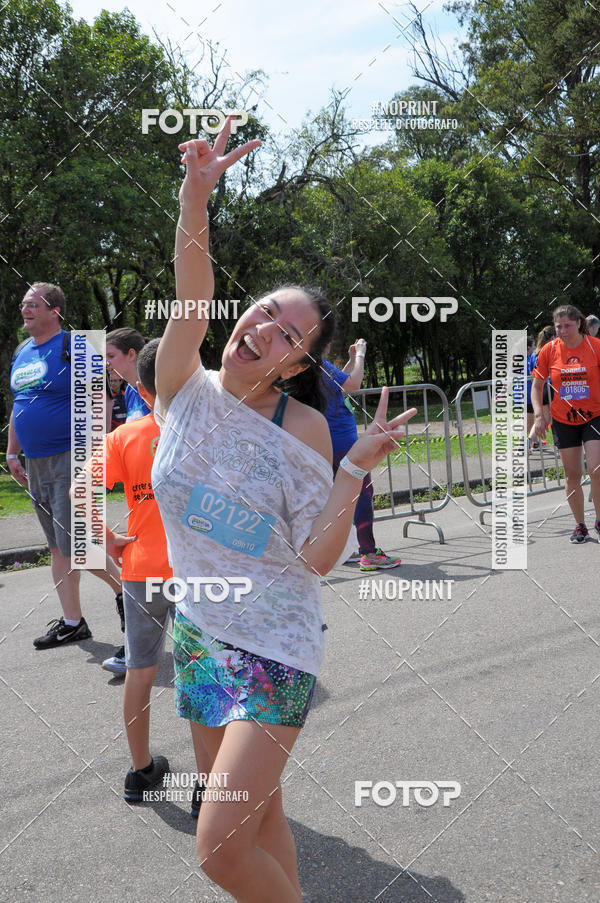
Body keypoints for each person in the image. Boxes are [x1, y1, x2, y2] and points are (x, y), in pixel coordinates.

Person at [151, 121, 416, 902]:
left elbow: (315, 559)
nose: (263, 329)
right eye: (264, 311)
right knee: (261, 823)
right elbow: (192, 294)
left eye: (288, 334)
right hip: (200, 631)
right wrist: (194, 198)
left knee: (221, 849)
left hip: (276, 648)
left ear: (299, 364)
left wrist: (351, 472)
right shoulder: (182, 385)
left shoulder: (298, 428)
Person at [78, 339, 193, 800]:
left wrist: (107, 537)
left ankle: (139, 769)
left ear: (141, 392)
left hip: (141, 568)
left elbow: (77, 494)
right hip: (199, 573)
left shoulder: (125, 437)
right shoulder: (209, 432)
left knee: (141, 670)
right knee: (201, 671)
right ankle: (210, 784)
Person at [7, 282, 124, 649]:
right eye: (24, 305)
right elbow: (20, 402)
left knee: (79, 547)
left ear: (54, 310)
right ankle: (73, 623)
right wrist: (13, 452)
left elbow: (101, 396)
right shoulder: (23, 350)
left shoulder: (76, 344)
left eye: (33, 305)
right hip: (35, 461)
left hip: (71, 457)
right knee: (58, 550)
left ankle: (132, 598)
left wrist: (98, 451)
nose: (25, 310)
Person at [321, 339, 402, 570]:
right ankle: (368, 553)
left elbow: (340, 384)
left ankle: (340, 550)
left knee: (338, 499)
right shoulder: (319, 365)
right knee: (362, 494)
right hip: (343, 446)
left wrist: (349, 360)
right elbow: (354, 384)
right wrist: (361, 356)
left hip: (330, 444)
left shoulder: (314, 365)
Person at [532, 305, 600, 543]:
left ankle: (599, 521)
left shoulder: (595, 347)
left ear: (578, 324)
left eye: (567, 326)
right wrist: (540, 415)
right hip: (563, 419)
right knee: (572, 474)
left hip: (594, 415)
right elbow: (537, 386)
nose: (562, 330)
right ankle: (580, 525)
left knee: (596, 468)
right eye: (558, 326)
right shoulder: (549, 350)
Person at [105, 328, 150, 421]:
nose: (105, 363)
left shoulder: (153, 387)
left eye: (111, 356)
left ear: (131, 354)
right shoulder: (129, 390)